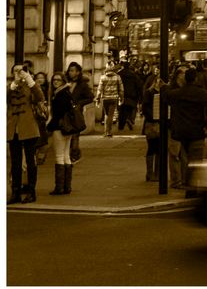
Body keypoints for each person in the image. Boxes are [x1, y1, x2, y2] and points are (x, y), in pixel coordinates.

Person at [165, 67, 207, 196]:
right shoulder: (201, 93)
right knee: (195, 160)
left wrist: (163, 86)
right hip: (196, 130)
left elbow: (167, 95)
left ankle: (188, 186)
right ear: (195, 79)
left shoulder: (178, 93)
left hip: (181, 132)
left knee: (185, 159)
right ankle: (192, 189)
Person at [48, 63, 92, 195]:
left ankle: (59, 187)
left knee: (59, 156)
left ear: (63, 81)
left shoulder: (59, 95)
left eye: (58, 80)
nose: (55, 82)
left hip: (60, 128)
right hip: (68, 129)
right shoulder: (66, 92)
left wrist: (49, 126)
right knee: (66, 155)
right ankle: (66, 187)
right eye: (54, 80)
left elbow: (58, 114)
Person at [8, 63, 46, 204]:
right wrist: (14, 84)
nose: (19, 73)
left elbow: (40, 97)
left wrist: (30, 80)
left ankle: (31, 191)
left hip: (29, 127)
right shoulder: (9, 87)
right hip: (13, 129)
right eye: (16, 71)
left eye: (21, 71)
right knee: (15, 163)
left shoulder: (31, 86)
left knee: (31, 161)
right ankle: (15, 192)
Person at [141, 69, 163, 182]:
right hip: (151, 124)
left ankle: (157, 173)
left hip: (160, 123)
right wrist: (154, 117)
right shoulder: (149, 93)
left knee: (159, 149)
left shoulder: (164, 93)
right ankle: (150, 173)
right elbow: (145, 108)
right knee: (152, 147)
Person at [97, 62, 124, 138]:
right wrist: (121, 98)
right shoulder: (117, 77)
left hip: (105, 98)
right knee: (111, 115)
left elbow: (99, 89)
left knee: (106, 114)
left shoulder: (102, 77)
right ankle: (108, 131)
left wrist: (98, 98)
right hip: (114, 98)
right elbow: (121, 89)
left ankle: (106, 131)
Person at [117, 60, 143, 132]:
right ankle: (129, 119)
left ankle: (121, 126)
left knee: (121, 110)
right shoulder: (134, 75)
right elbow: (139, 86)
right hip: (132, 95)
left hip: (121, 94)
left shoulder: (119, 74)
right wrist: (140, 96)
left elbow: (116, 84)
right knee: (130, 109)